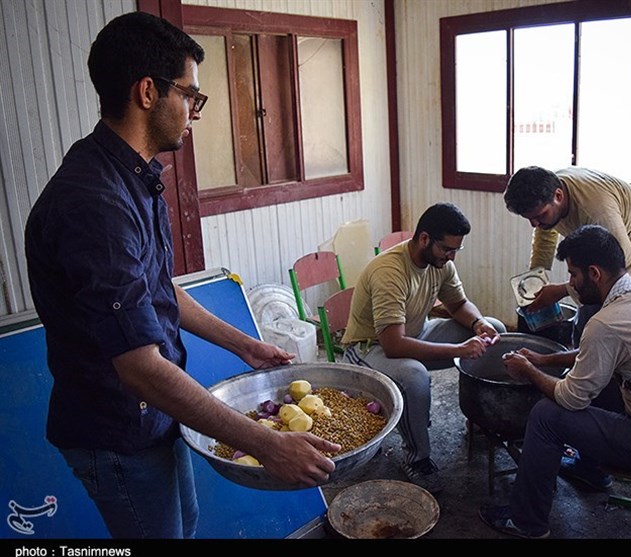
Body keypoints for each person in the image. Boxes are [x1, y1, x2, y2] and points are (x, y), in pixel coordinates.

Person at [24, 12, 340, 539]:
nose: (194, 110)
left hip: (154, 418)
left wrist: (246, 344)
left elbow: (156, 287)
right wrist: (265, 443)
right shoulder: (94, 202)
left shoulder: (130, 174)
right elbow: (140, 368)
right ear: (148, 92)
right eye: (190, 95)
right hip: (117, 429)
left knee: (182, 527)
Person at [479, 225, 631, 539]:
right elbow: (599, 353)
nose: (570, 284)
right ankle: (590, 471)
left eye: (573, 275)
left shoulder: (606, 322)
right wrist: (544, 360)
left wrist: (528, 370)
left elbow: (570, 399)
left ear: (594, 273)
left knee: (546, 415)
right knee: (601, 381)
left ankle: (527, 521)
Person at [341, 202, 506, 494]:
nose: (452, 256)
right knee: (414, 376)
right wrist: (459, 350)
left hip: (416, 331)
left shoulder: (441, 263)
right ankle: (416, 458)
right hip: (369, 349)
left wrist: (479, 324)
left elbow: (457, 304)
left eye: (457, 250)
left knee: (496, 329)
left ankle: (481, 423)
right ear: (425, 239)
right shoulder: (390, 272)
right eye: (447, 249)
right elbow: (394, 346)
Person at [504, 166, 631, 346]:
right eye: (529, 218)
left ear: (559, 196)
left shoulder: (597, 212)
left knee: (616, 323)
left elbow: (622, 274)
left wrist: (562, 290)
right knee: (587, 320)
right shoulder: (550, 194)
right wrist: (536, 276)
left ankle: (608, 370)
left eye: (540, 215)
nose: (534, 224)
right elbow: (546, 230)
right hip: (609, 244)